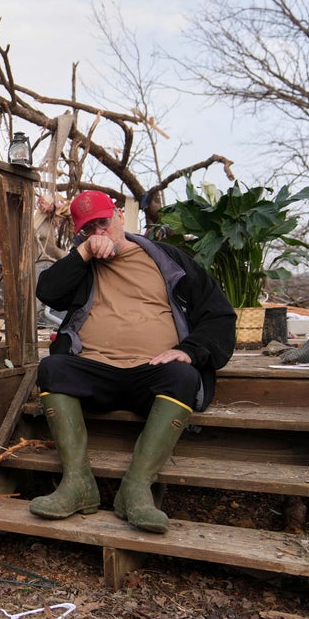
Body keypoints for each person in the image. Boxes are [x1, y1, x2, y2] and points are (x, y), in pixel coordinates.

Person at [31, 190, 236, 534]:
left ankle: (137, 487)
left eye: (103, 222)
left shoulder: (170, 261)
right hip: (96, 370)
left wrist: (189, 350)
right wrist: (82, 253)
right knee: (52, 369)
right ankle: (77, 484)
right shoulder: (83, 264)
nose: (99, 232)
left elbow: (219, 316)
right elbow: (48, 292)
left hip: (151, 373)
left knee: (184, 377)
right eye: (89, 229)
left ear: (120, 217)